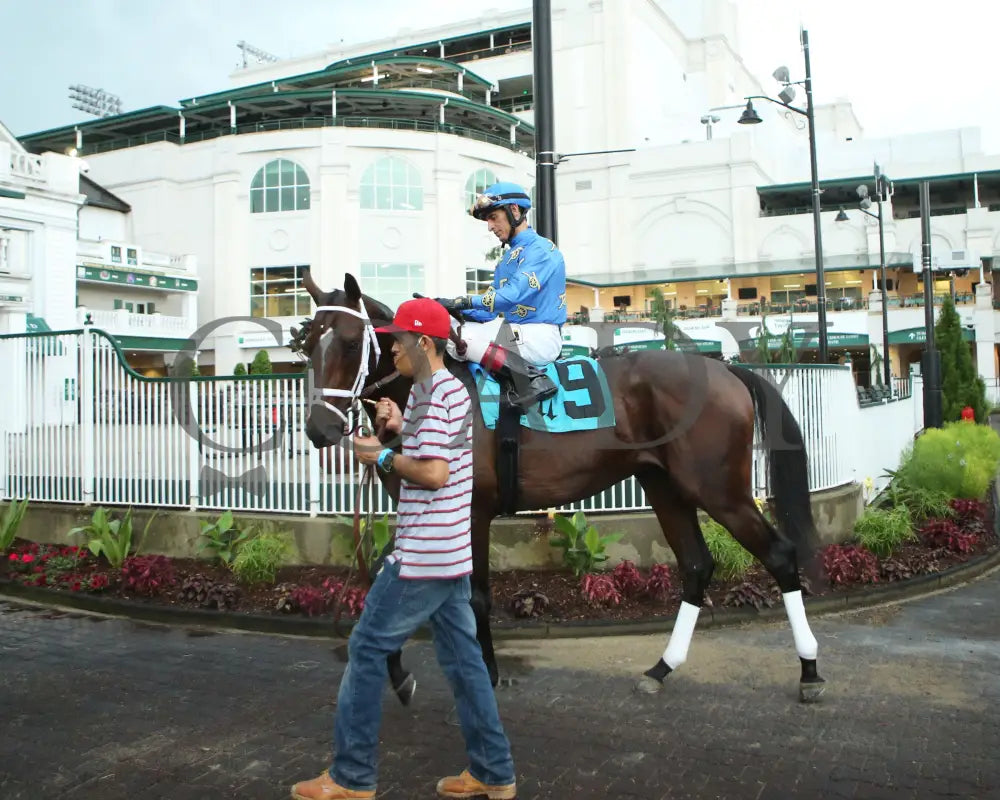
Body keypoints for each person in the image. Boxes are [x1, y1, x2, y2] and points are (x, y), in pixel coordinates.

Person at [290, 297, 517, 800]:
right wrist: (396, 429)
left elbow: (433, 473)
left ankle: (351, 778)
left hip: (422, 556)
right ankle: (494, 772)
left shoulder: (438, 396)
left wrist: (384, 454)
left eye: (398, 341)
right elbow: (431, 452)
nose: (390, 349)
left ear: (425, 344)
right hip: (451, 555)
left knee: (367, 648)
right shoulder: (431, 393)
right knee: (465, 663)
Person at [436, 180, 567, 410]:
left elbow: (510, 296)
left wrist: (462, 300)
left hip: (540, 337)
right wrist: (446, 308)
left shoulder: (542, 249)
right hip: (515, 332)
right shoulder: (507, 259)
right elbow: (489, 310)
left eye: (493, 217)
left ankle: (533, 380)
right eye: (488, 220)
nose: (490, 227)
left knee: (464, 338)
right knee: (447, 328)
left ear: (514, 210)